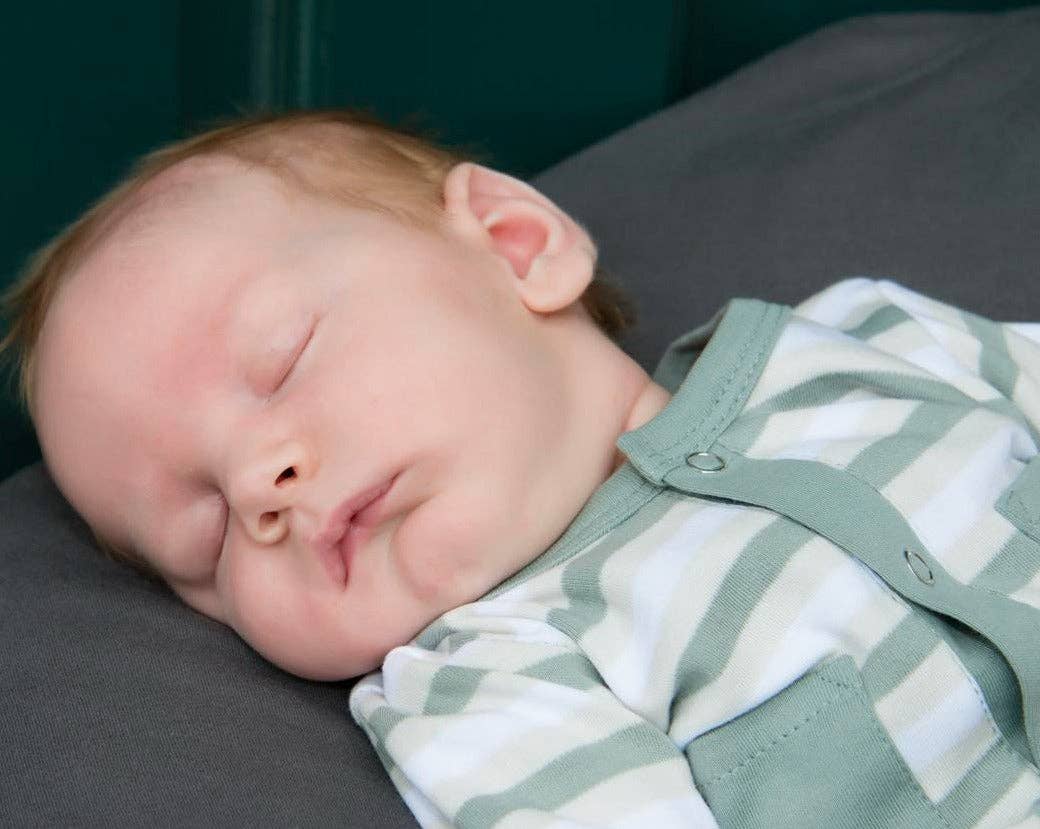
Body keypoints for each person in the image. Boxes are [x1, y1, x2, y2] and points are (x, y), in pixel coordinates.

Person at [3, 108, 1039, 828]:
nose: (259, 484)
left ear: (513, 244)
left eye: (282, 361)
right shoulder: (488, 687)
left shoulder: (864, 339)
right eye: (207, 536)